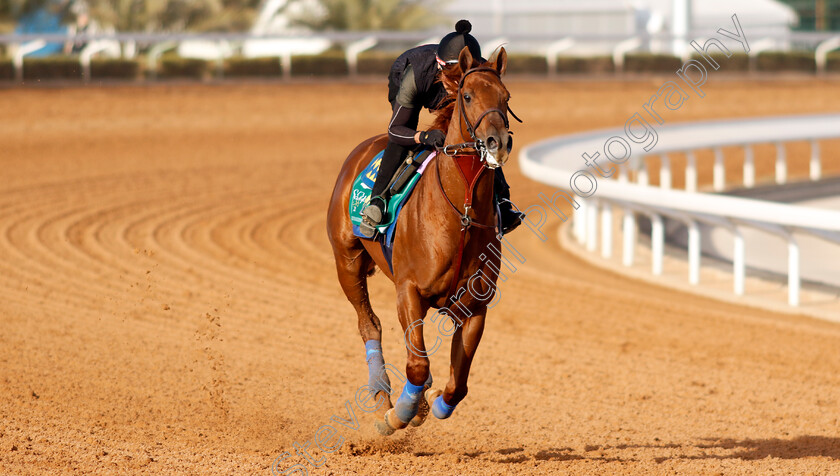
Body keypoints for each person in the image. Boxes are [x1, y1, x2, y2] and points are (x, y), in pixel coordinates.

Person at [359, 19, 525, 239]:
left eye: (461, 78)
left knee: (483, 136)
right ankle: (378, 202)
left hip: (466, 86)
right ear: (441, 67)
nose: (456, 85)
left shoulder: (477, 72)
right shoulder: (416, 76)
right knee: (405, 136)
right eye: (453, 78)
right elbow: (395, 129)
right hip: (410, 77)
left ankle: (502, 202)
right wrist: (423, 136)